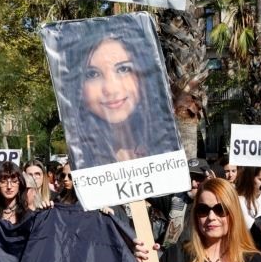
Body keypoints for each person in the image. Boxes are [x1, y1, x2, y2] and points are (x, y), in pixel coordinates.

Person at [40, 12, 179, 169]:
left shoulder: (167, 150)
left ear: (143, 75)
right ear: (78, 85)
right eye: (92, 74)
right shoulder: (80, 163)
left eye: (123, 69)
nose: (111, 89)